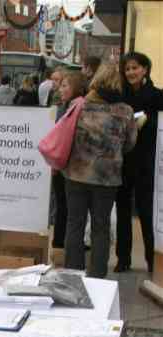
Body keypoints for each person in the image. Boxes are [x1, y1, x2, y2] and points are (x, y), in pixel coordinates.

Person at [62, 64, 137, 278]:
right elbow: (130, 144)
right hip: (108, 177)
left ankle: (73, 273)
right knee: (101, 227)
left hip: (76, 173)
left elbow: (65, 134)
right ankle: (97, 275)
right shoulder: (126, 111)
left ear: (96, 80)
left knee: (74, 223)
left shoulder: (79, 105)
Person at [115, 51, 163, 273]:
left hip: (148, 163)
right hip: (123, 162)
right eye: (127, 69)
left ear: (145, 69)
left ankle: (152, 260)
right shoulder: (120, 96)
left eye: (135, 68)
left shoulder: (157, 96)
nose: (131, 72)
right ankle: (123, 259)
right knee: (123, 211)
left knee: (146, 212)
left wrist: (147, 121)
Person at [52, 72, 87, 249]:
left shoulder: (77, 106)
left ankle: (62, 246)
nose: (61, 89)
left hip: (67, 164)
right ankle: (60, 245)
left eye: (65, 85)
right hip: (63, 163)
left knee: (66, 208)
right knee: (63, 207)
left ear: (76, 87)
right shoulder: (66, 105)